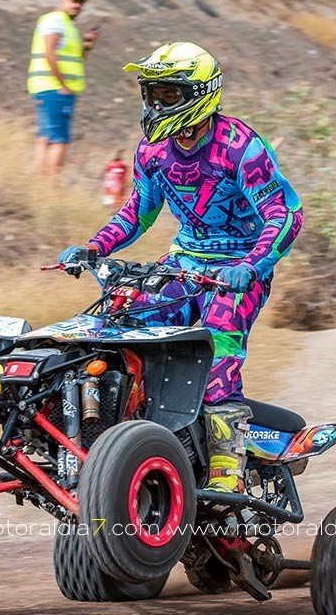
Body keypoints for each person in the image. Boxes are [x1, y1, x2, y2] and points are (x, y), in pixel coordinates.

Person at [58, 42, 303, 495]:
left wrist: (251, 265)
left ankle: (228, 469)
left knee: (217, 345)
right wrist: (94, 248)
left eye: (167, 95)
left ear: (200, 94)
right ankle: (109, 439)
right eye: (151, 94)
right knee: (114, 323)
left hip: (236, 269)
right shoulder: (152, 151)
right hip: (184, 263)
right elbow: (138, 211)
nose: (155, 105)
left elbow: (284, 213)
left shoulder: (241, 147)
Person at [27, 0, 100, 187]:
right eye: (74, 1)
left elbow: (77, 59)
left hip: (50, 87)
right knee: (59, 139)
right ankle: (51, 186)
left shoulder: (69, 26)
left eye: (81, 2)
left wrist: (87, 44)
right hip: (54, 88)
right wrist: (63, 85)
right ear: (63, 0)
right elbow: (49, 53)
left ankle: (37, 185)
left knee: (46, 137)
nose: (78, 6)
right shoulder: (54, 21)